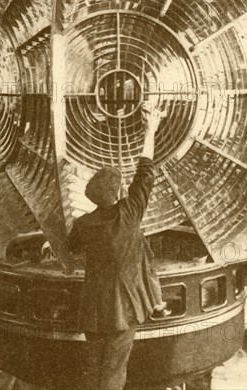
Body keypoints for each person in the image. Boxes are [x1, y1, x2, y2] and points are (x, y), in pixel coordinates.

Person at [67, 103, 167, 390]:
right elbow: (145, 174)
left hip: (92, 311)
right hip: (122, 310)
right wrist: (151, 130)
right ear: (118, 192)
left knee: (92, 369)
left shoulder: (85, 224)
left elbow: (72, 246)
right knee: (113, 370)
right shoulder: (128, 213)